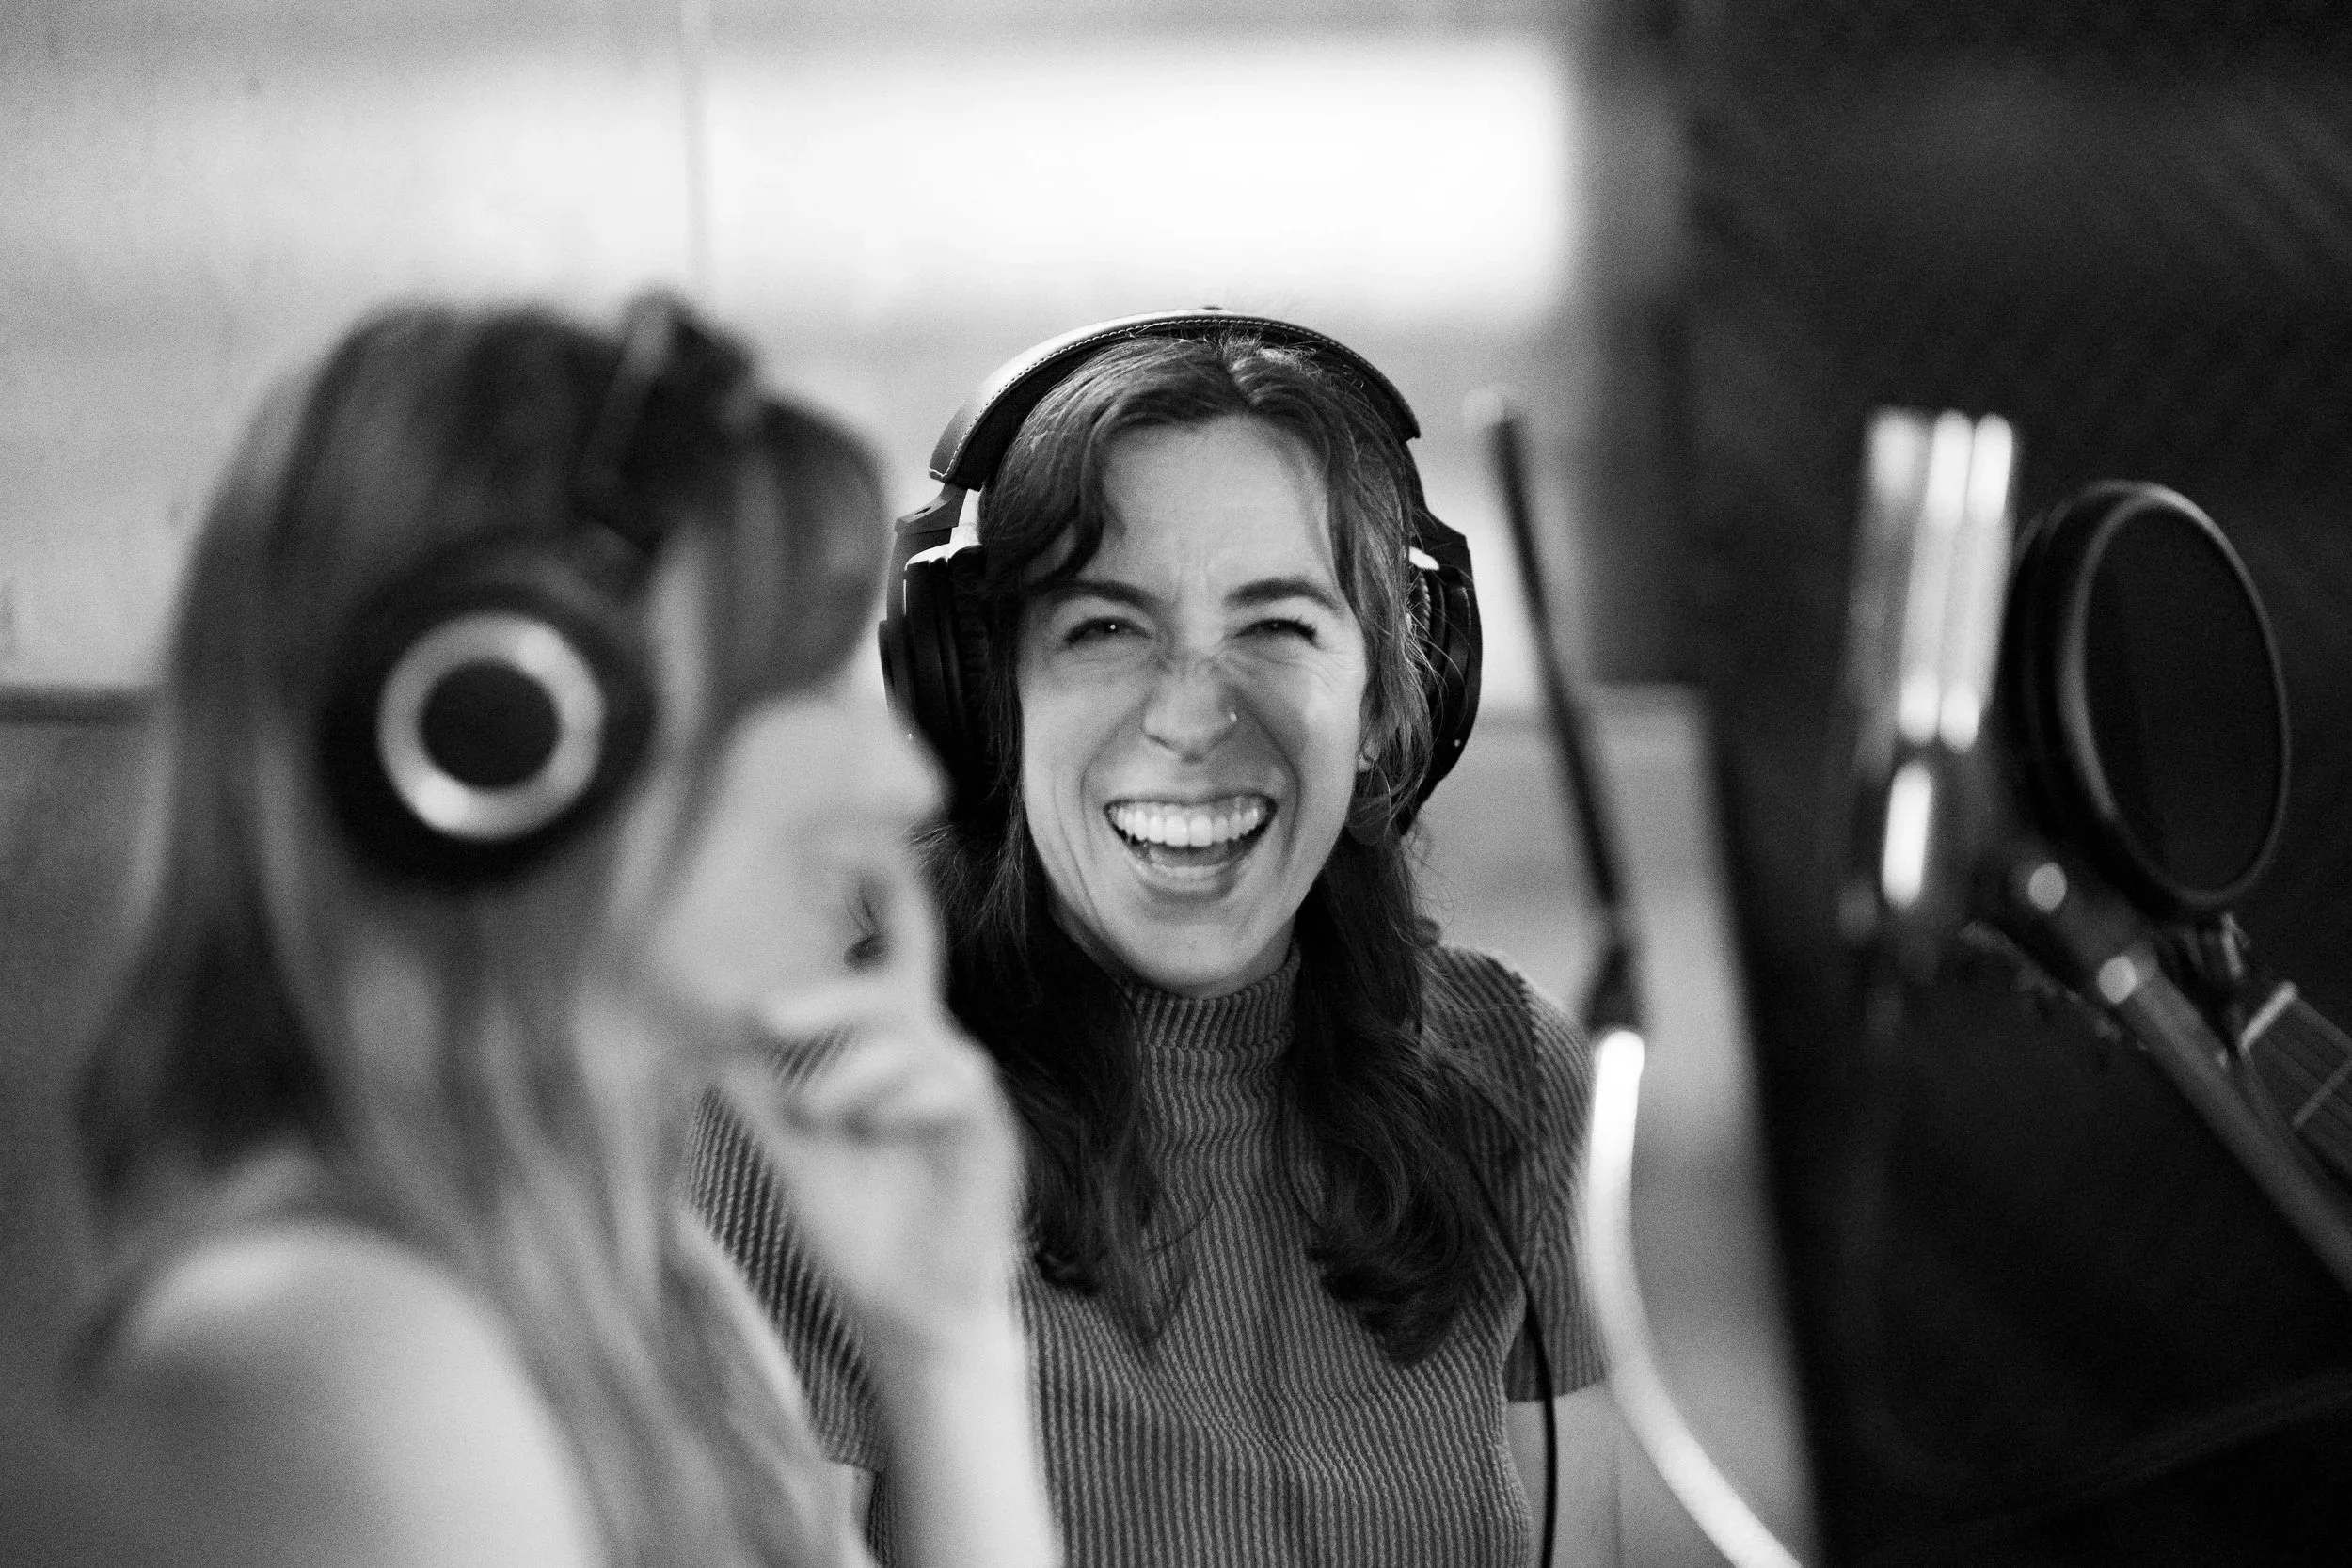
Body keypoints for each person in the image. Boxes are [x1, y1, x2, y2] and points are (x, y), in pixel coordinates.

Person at [69, 293, 1057, 1568]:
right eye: (801, 690)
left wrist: (948, 1338)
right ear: (503, 731)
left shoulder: (659, 1285)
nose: (904, 785)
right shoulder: (342, 1347)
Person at [694, 314, 1622, 1566]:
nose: (1194, 713)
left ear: (1387, 706)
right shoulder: (826, 1108)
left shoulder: (1509, 1068)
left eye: (1278, 625)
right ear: (987, 702)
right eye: (1106, 628)